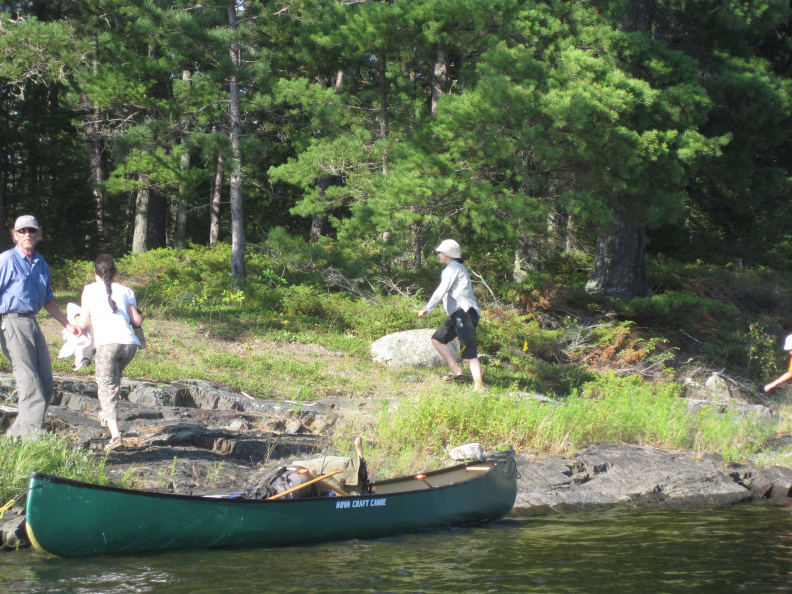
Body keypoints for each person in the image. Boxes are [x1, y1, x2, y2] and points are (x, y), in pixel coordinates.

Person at [0, 215, 80, 441]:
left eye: (32, 231)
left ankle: (14, 438)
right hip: (12, 322)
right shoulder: (6, 260)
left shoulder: (41, 262)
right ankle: (34, 441)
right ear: (15, 235)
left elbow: (47, 299)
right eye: (22, 231)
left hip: (32, 323)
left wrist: (68, 324)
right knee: (29, 382)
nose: (28, 234)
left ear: (39, 234)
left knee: (45, 384)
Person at [76, 254, 142, 450]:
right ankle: (106, 414)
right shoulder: (127, 290)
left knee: (106, 389)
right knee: (112, 382)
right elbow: (137, 321)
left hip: (107, 345)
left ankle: (115, 436)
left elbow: (83, 323)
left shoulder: (89, 290)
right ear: (115, 273)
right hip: (129, 345)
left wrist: (76, 317)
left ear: (95, 272)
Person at [418, 239, 485, 391]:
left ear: (448, 253)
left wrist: (427, 308)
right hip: (457, 314)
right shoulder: (454, 267)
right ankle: (455, 370)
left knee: (469, 350)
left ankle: (479, 386)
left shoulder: (453, 268)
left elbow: (441, 290)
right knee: (438, 339)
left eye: (440, 252)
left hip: (465, 312)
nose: (439, 255)